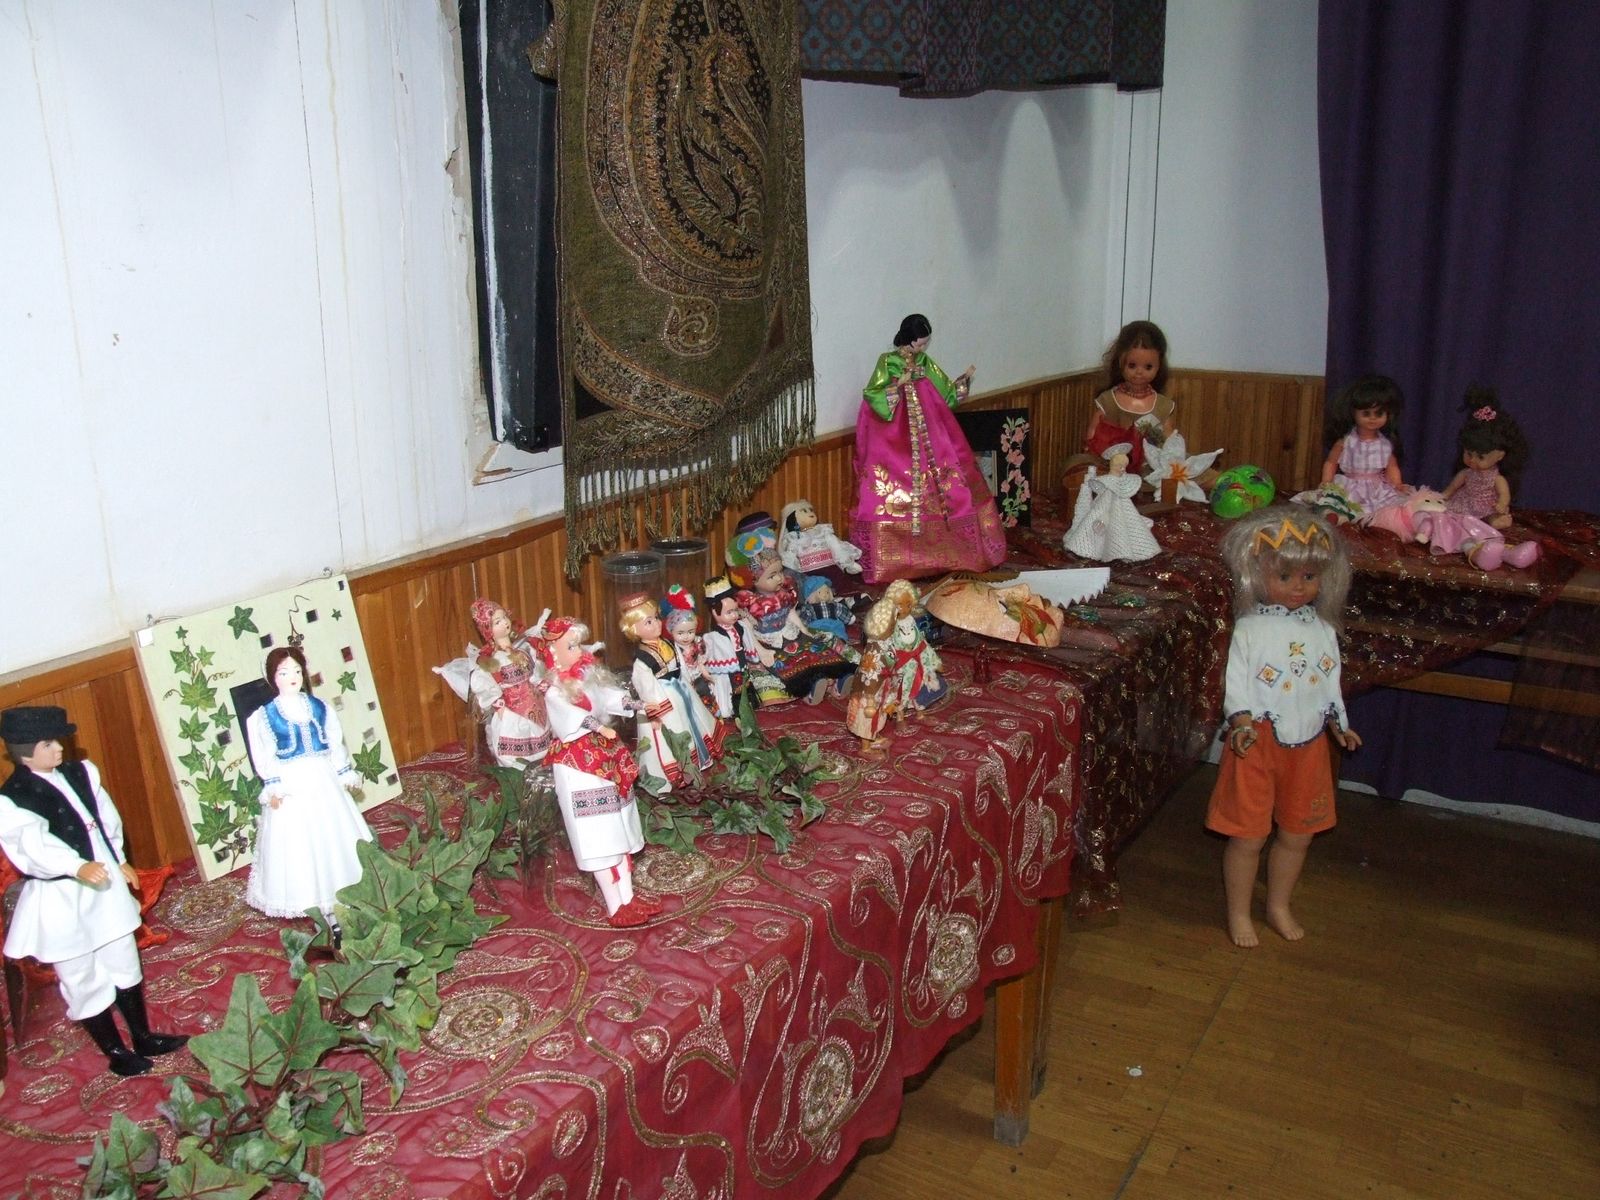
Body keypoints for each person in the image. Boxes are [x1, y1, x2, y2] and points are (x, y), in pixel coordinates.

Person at [0, 705, 187, 1076]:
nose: (59, 749)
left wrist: (119, 859)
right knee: (80, 971)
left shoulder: (81, 772)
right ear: (25, 752)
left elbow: (104, 819)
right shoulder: (13, 799)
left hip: (104, 885)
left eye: (58, 741)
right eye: (48, 744)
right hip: (63, 896)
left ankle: (142, 1035)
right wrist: (74, 865)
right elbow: (32, 847)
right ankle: (115, 1051)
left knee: (123, 956)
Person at [1207, 508, 1361, 948]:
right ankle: (1239, 912)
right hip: (1256, 743)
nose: (1299, 586)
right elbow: (1236, 684)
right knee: (1248, 836)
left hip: (1308, 744)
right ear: (1258, 574)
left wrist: (1339, 724)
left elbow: (1329, 681)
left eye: (1309, 576)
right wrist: (1240, 721)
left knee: (1299, 833)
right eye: (1286, 575)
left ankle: (1278, 904)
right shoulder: (1250, 629)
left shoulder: (1324, 629)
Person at [847, 313, 1007, 583]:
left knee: (949, 481)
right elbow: (873, 392)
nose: (922, 348)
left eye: (925, 344)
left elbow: (945, 391)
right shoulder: (888, 361)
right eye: (919, 343)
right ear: (908, 339)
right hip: (893, 434)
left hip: (932, 429)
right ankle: (893, 560)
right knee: (890, 486)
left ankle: (954, 552)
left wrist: (961, 383)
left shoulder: (924, 362)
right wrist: (896, 387)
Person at [537, 617, 661, 927]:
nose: (579, 651)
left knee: (621, 826)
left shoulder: (585, 677)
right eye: (570, 646)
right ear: (552, 653)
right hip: (579, 764)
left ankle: (628, 897)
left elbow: (608, 697)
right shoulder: (553, 690)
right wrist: (599, 727)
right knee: (599, 834)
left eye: (577, 645)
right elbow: (570, 717)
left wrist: (636, 704)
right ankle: (615, 905)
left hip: (605, 756)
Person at [244, 647, 374, 931]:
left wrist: (343, 771)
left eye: (297, 671)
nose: (292, 677)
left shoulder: (320, 707)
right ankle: (320, 914)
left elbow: (334, 743)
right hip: (292, 787)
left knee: (333, 841)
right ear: (272, 678)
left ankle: (341, 909)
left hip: (323, 781)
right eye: (284, 672)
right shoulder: (264, 716)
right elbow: (265, 755)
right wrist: (273, 785)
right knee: (302, 848)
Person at [619, 590, 721, 790]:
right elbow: (645, 686)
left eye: (657, 618)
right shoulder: (642, 660)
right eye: (649, 622)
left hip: (681, 690)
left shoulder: (667, 642)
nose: (657, 623)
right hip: (664, 699)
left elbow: (680, 664)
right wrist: (655, 710)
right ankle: (677, 770)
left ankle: (699, 759)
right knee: (674, 730)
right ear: (634, 629)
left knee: (692, 722)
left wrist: (688, 682)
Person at [433, 599, 551, 767]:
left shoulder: (523, 650)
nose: (504, 622)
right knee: (515, 747)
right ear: (489, 631)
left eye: (504, 617)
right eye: (497, 622)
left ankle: (540, 764)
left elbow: (533, 672)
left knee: (540, 738)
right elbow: (485, 685)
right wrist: (500, 707)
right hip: (513, 711)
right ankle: (517, 771)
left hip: (535, 705)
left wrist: (540, 685)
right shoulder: (494, 661)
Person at [1083, 320, 1176, 478]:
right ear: (1120, 362)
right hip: (1112, 469)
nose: (1139, 372)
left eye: (1148, 367)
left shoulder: (1163, 406)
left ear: (1159, 366)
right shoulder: (1108, 401)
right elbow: (1092, 435)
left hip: (1152, 471)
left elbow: (1170, 442)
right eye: (1132, 365)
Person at [1441, 386, 1529, 530]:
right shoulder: (1466, 473)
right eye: (1468, 454)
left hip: (1487, 506)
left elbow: (1504, 494)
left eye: (1480, 457)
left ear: (1500, 455)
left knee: (1491, 517)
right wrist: (1444, 495)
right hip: (1465, 503)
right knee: (1451, 513)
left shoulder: (1497, 478)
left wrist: (1502, 504)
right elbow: (1453, 487)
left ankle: (1496, 521)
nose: (1472, 460)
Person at [701, 575, 791, 716]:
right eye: (729, 612)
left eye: (735, 610)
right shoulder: (711, 638)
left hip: (743, 664)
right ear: (714, 612)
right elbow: (704, 656)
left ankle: (749, 705)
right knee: (731, 691)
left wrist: (755, 656)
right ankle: (734, 710)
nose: (734, 615)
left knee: (745, 685)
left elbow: (749, 642)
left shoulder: (742, 626)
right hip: (727, 673)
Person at [1319, 374, 1409, 514]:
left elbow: (1392, 467)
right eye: (1366, 414)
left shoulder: (1385, 445)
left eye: (1379, 414)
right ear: (1354, 413)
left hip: (1377, 489)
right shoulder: (1346, 441)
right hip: (1349, 486)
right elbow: (1331, 462)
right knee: (1340, 509)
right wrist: (1326, 481)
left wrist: (1397, 484)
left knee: (1390, 508)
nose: (1372, 418)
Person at [1062, 445, 1161, 562]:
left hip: (1121, 506)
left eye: (1124, 466)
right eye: (1119, 466)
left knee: (1126, 523)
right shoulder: (1108, 481)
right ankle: (1099, 548)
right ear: (1112, 465)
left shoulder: (1121, 480)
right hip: (1106, 508)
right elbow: (1103, 497)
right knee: (1102, 524)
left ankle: (1125, 549)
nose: (1122, 469)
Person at [778, 499, 863, 575]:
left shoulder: (823, 531)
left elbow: (836, 546)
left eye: (810, 510)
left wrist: (848, 564)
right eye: (804, 511)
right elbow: (790, 557)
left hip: (830, 568)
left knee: (840, 582)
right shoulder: (793, 537)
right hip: (809, 573)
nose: (810, 513)